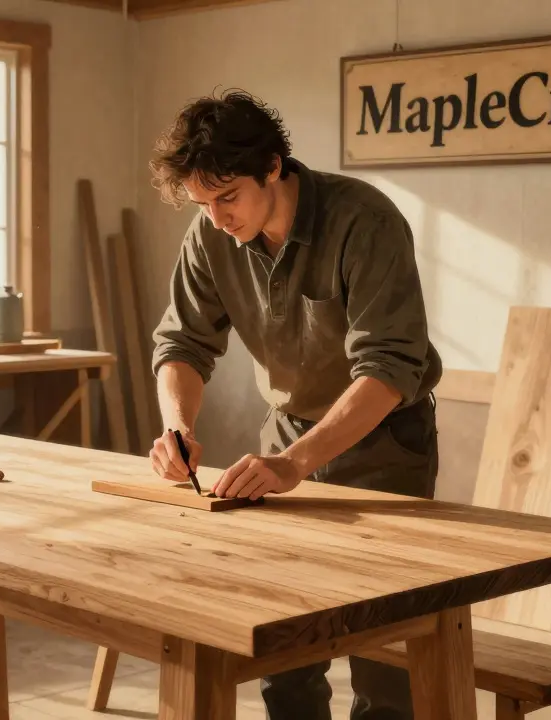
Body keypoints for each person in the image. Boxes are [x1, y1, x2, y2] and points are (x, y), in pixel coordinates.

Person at [146, 89, 443, 720]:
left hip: (386, 438)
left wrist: (293, 465)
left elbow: (389, 369)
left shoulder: (366, 220)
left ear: (274, 166)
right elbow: (182, 341)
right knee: (286, 647)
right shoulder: (210, 233)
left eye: (228, 196)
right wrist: (178, 427)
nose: (218, 218)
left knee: (384, 650)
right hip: (286, 430)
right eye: (203, 203)